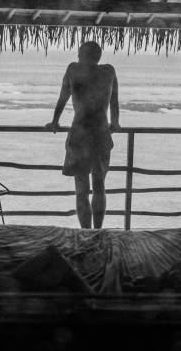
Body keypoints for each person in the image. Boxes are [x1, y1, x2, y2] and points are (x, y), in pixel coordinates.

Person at [46, 41, 120, 229]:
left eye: (79, 53)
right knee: (99, 187)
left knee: (81, 190)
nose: (78, 56)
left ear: (82, 55)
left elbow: (63, 97)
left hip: (80, 134)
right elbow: (114, 102)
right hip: (101, 134)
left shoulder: (73, 69)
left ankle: (86, 233)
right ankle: (97, 231)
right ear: (98, 56)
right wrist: (115, 123)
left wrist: (55, 121)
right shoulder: (109, 71)